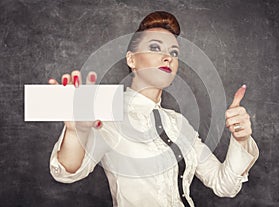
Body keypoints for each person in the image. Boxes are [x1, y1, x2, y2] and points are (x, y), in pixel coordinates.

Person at [48, 11, 259, 207]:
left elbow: (224, 185)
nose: (168, 57)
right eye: (155, 48)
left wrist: (240, 140)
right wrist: (77, 132)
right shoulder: (109, 113)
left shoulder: (178, 123)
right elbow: (67, 172)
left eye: (174, 52)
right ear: (132, 59)